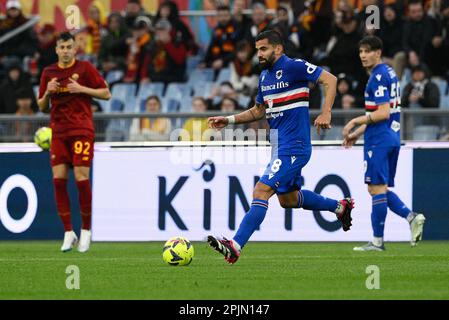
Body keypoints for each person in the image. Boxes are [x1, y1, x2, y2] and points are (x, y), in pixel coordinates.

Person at [206, 30, 354, 264]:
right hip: (279, 146)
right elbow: (258, 111)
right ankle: (339, 207)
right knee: (289, 200)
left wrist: (326, 112)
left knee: (261, 191)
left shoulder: (294, 67)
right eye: (257, 50)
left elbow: (330, 80)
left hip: (294, 146)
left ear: (278, 48)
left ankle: (235, 245)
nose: (259, 54)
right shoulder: (264, 77)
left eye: (263, 49)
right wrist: (229, 120)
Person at [342, 36, 425, 251]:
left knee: (376, 188)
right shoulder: (389, 72)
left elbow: (382, 113)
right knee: (379, 188)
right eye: (360, 51)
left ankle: (379, 241)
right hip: (390, 137)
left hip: (379, 140)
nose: (363, 55)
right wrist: (358, 133)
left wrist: (354, 121)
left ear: (378, 53)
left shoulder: (377, 77)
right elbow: (380, 113)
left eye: (367, 51)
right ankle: (410, 217)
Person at [37, 32, 111, 253]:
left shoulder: (85, 69)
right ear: (57, 50)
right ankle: (69, 232)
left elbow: (106, 94)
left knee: (81, 178)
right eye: (62, 47)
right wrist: (47, 95)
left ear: (75, 48)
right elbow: (41, 107)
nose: (66, 50)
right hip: (58, 131)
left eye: (70, 46)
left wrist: (82, 90)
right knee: (58, 180)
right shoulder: (48, 73)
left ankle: (86, 230)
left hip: (81, 130)